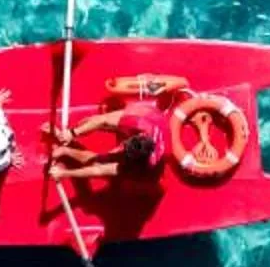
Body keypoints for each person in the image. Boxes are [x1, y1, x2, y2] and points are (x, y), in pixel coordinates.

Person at [49, 73, 187, 186]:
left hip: (145, 169)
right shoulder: (140, 122)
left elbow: (99, 170)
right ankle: (68, 137)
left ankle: (66, 150)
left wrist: (65, 174)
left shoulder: (145, 166)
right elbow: (102, 120)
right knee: (94, 122)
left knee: (98, 161)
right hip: (149, 116)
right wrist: (72, 134)